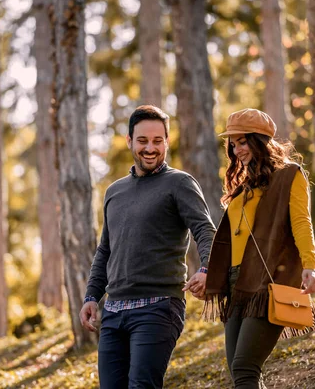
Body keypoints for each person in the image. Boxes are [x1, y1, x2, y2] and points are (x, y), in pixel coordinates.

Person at [79, 105, 216, 389]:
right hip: (114, 312)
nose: (150, 148)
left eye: (158, 141)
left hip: (158, 307)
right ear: (129, 141)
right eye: (143, 141)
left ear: (166, 141)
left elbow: (205, 230)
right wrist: (91, 295)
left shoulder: (179, 183)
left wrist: (207, 268)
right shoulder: (114, 191)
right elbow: (106, 249)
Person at [187, 108, 315, 389]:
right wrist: (208, 272)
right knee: (242, 373)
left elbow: (301, 222)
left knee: (245, 367)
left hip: (267, 280)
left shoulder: (289, 175)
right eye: (233, 144)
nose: (237, 150)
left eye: (242, 142)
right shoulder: (243, 186)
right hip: (237, 283)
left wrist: (310, 265)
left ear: (260, 140)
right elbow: (231, 241)